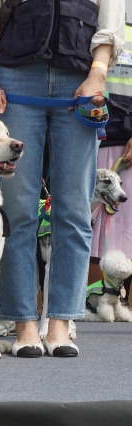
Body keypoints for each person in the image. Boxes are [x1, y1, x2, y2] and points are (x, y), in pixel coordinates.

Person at [0, 0, 124, 357]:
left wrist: (98, 73)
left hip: (80, 75)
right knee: (18, 208)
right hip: (15, 75)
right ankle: (23, 323)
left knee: (74, 209)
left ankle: (61, 324)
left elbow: (110, 16)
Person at [91, 20, 132, 306]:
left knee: (123, 223)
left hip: (125, 143)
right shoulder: (77, 23)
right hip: (81, 134)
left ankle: (118, 297)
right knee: (81, 221)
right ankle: (86, 296)